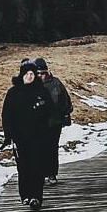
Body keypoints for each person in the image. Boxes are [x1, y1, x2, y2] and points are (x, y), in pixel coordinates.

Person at [1, 58, 53, 210]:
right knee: (23, 167)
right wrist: (8, 134)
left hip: (38, 136)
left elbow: (50, 112)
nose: (30, 76)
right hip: (20, 137)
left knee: (37, 166)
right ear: (22, 75)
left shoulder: (42, 91)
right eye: (27, 73)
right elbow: (7, 115)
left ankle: (36, 197)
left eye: (32, 73)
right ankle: (25, 195)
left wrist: (41, 109)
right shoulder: (13, 93)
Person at [34, 57, 73, 185]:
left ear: (47, 72)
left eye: (43, 73)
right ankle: (39, 175)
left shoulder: (56, 83)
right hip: (37, 123)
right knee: (38, 149)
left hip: (54, 123)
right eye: (38, 73)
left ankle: (51, 174)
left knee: (51, 148)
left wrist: (66, 114)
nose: (40, 76)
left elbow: (65, 99)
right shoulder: (30, 85)